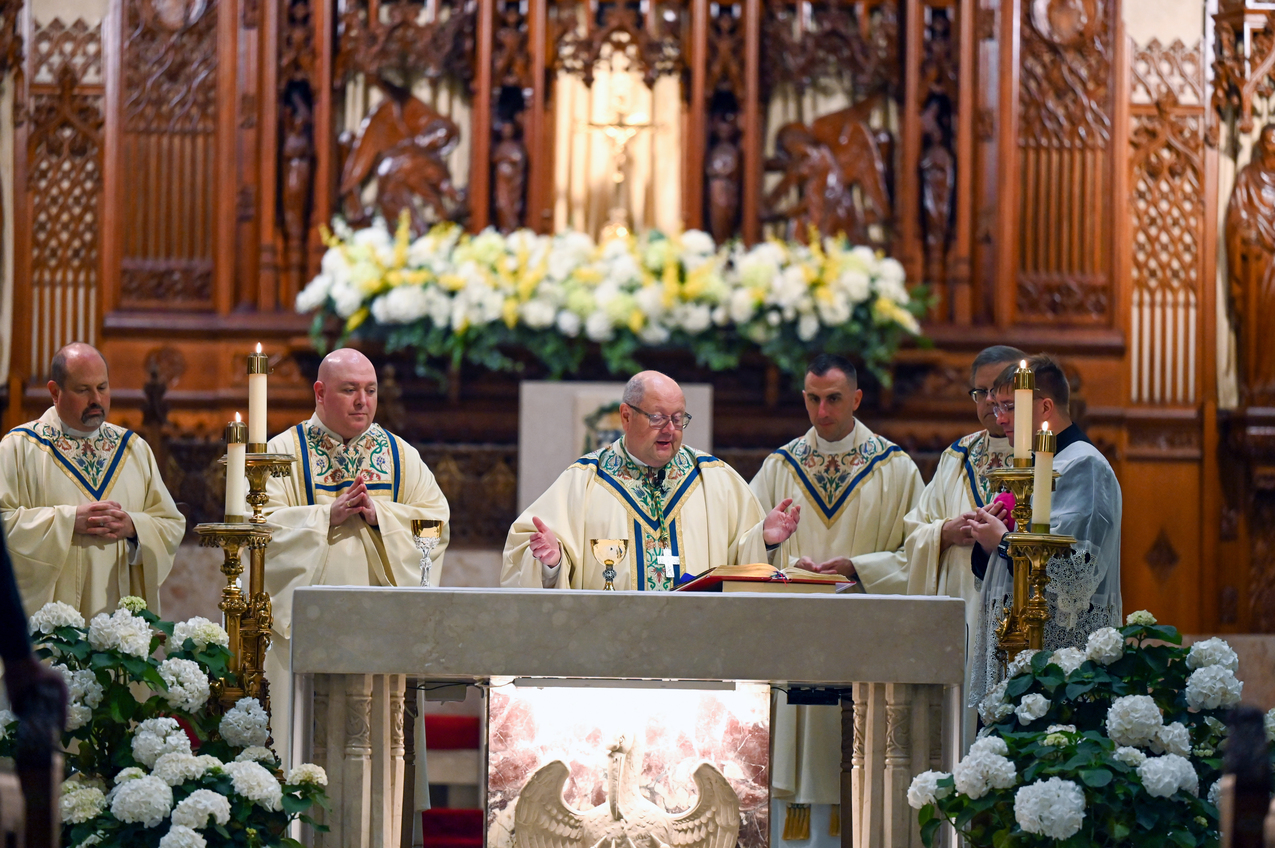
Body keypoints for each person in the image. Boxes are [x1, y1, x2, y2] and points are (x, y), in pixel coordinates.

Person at [748, 353, 922, 841]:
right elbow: (739, 543)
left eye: (833, 399)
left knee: (866, 767)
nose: (822, 412)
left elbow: (922, 554)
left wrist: (858, 567)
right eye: (812, 399)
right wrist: (772, 550)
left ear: (857, 399)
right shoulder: (779, 467)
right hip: (793, 642)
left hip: (866, 641)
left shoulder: (896, 469)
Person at [262, 347, 450, 763]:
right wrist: (323, 517)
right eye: (349, 390)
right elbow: (258, 533)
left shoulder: (401, 457)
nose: (362, 401)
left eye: (370, 390)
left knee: (376, 755)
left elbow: (436, 526)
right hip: (302, 635)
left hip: (380, 632)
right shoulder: (279, 453)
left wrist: (382, 516)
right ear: (320, 392)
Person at [502, 370, 801, 590]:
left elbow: (745, 567)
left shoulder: (716, 481)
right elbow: (524, 557)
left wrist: (764, 539)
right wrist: (551, 562)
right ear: (626, 417)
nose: (670, 429)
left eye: (678, 418)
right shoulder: (584, 482)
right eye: (657, 418)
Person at [965, 353, 1123, 707]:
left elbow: (1076, 575)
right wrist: (988, 540)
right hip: (1017, 643)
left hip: (1058, 658)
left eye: (1009, 406)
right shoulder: (1035, 466)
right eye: (995, 405)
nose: (999, 417)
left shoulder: (1084, 464)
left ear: (1046, 406)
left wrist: (1003, 543)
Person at [0, 343, 185, 620]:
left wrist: (135, 528)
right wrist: (66, 521)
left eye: (102, 387)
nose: (96, 399)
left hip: (118, 631)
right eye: (83, 389)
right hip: (48, 631)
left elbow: (170, 525)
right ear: (54, 392)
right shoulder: (19, 448)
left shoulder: (133, 449)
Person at [902, 344, 1023, 746]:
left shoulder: (1048, 454)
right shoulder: (957, 455)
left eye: (1001, 391)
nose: (991, 403)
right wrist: (944, 533)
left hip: (1016, 617)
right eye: (981, 393)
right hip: (960, 618)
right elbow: (915, 532)